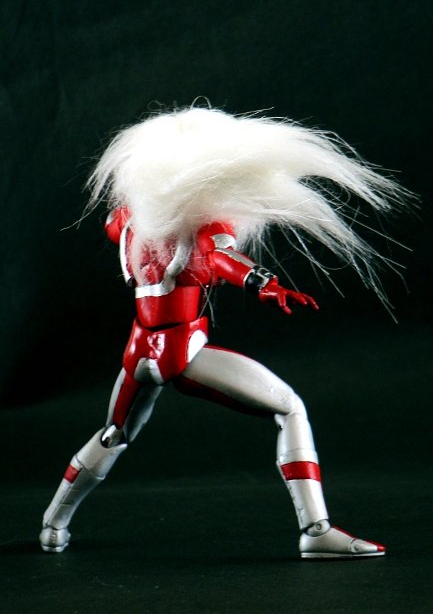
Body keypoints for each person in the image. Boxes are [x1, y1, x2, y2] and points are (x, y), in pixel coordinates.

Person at [40, 107, 405, 558]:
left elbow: (129, 228)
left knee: (113, 433)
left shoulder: (128, 222)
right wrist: (263, 282)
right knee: (290, 408)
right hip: (181, 352)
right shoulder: (200, 226)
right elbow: (221, 258)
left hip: (138, 353)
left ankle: (53, 524)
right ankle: (316, 529)